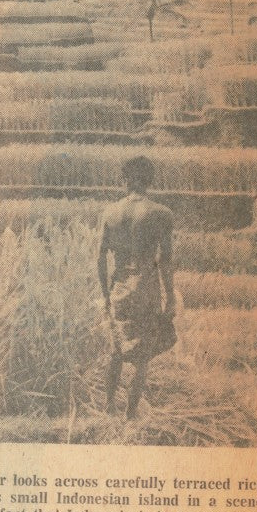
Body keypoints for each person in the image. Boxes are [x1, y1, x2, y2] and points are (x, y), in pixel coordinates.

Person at [98, 155, 177, 419]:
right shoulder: (161, 214)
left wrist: (106, 295)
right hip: (145, 287)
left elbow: (100, 258)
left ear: (125, 179)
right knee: (142, 358)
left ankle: (109, 408)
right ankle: (131, 415)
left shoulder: (110, 213)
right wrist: (170, 298)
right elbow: (165, 260)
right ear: (150, 179)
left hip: (119, 286)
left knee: (116, 351)